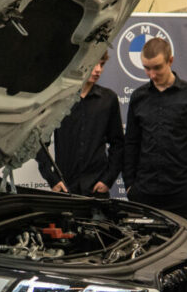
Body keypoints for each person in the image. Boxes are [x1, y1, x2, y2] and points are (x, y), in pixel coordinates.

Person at [123, 35, 187, 222]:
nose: (152, 74)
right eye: (147, 68)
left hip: (180, 191)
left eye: (157, 68)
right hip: (143, 192)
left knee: (181, 241)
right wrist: (129, 184)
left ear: (170, 61)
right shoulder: (138, 97)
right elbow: (130, 143)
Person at [34, 50, 124, 196]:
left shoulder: (109, 99)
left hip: (96, 189)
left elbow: (118, 143)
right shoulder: (58, 100)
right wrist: (52, 179)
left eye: (102, 64)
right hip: (66, 187)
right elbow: (39, 143)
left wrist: (108, 179)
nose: (98, 70)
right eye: (94, 64)